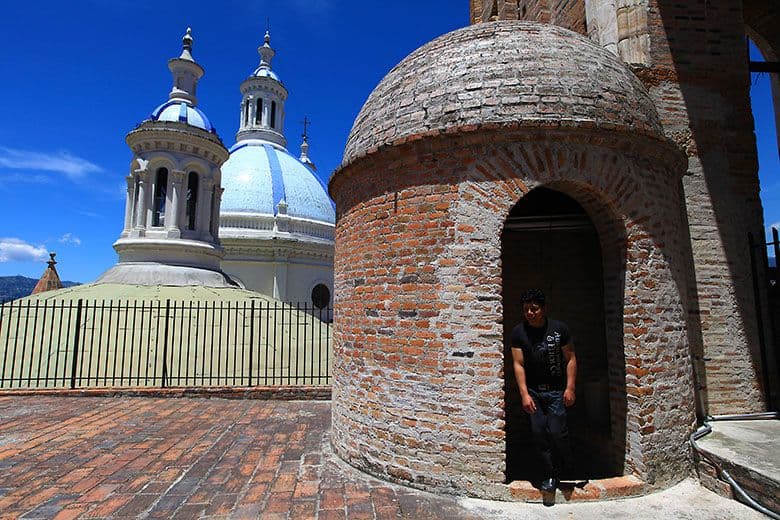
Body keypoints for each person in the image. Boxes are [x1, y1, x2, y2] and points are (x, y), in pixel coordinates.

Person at [510, 289, 577, 492]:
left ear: (543, 308)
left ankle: (567, 462)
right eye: (526, 309)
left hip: (556, 391)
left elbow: (571, 358)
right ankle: (550, 474)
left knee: (557, 431)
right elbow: (518, 364)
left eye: (534, 308)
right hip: (534, 392)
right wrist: (524, 394)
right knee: (539, 432)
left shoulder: (559, 329)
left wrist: (570, 387)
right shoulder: (518, 333)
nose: (530, 313)